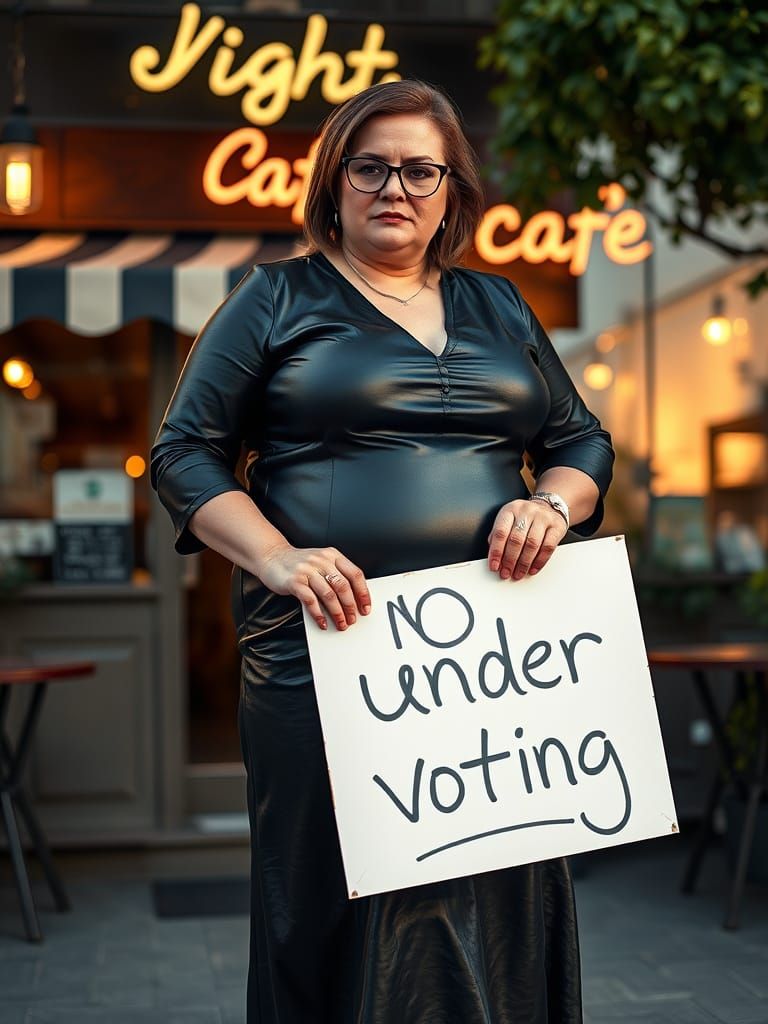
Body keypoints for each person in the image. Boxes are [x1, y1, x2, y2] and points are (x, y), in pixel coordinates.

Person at [151, 79, 614, 1024]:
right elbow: (182, 452)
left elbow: (581, 441)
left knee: (501, 882)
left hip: (496, 660)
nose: (393, 187)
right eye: (370, 166)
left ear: (449, 190)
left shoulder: (501, 305)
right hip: (328, 650)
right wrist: (277, 557)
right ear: (334, 182)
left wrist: (554, 509)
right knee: (342, 895)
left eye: (419, 169)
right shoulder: (274, 297)